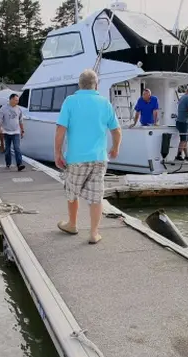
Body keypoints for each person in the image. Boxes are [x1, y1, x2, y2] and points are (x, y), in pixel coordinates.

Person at [55, 69, 121, 245]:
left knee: (72, 192)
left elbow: (60, 130)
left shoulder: (70, 101)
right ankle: (93, 233)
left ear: (79, 84)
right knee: (96, 196)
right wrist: (115, 148)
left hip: (76, 158)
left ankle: (72, 224)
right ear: (96, 85)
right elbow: (116, 130)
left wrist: (57, 153)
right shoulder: (105, 103)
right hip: (99, 158)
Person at [0, 93, 25, 171]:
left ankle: (19, 164)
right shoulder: (3, 108)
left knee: (17, 148)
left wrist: (22, 130)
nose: (17, 102)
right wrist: (0, 127)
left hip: (16, 132)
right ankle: (8, 163)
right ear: (11, 99)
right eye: (16, 100)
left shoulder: (19, 109)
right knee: (7, 149)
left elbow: (21, 120)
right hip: (6, 132)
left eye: (18, 100)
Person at [175, 85, 188, 161]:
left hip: (179, 121)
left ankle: (186, 155)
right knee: (184, 140)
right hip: (184, 121)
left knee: (185, 139)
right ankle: (178, 155)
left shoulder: (182, 97)